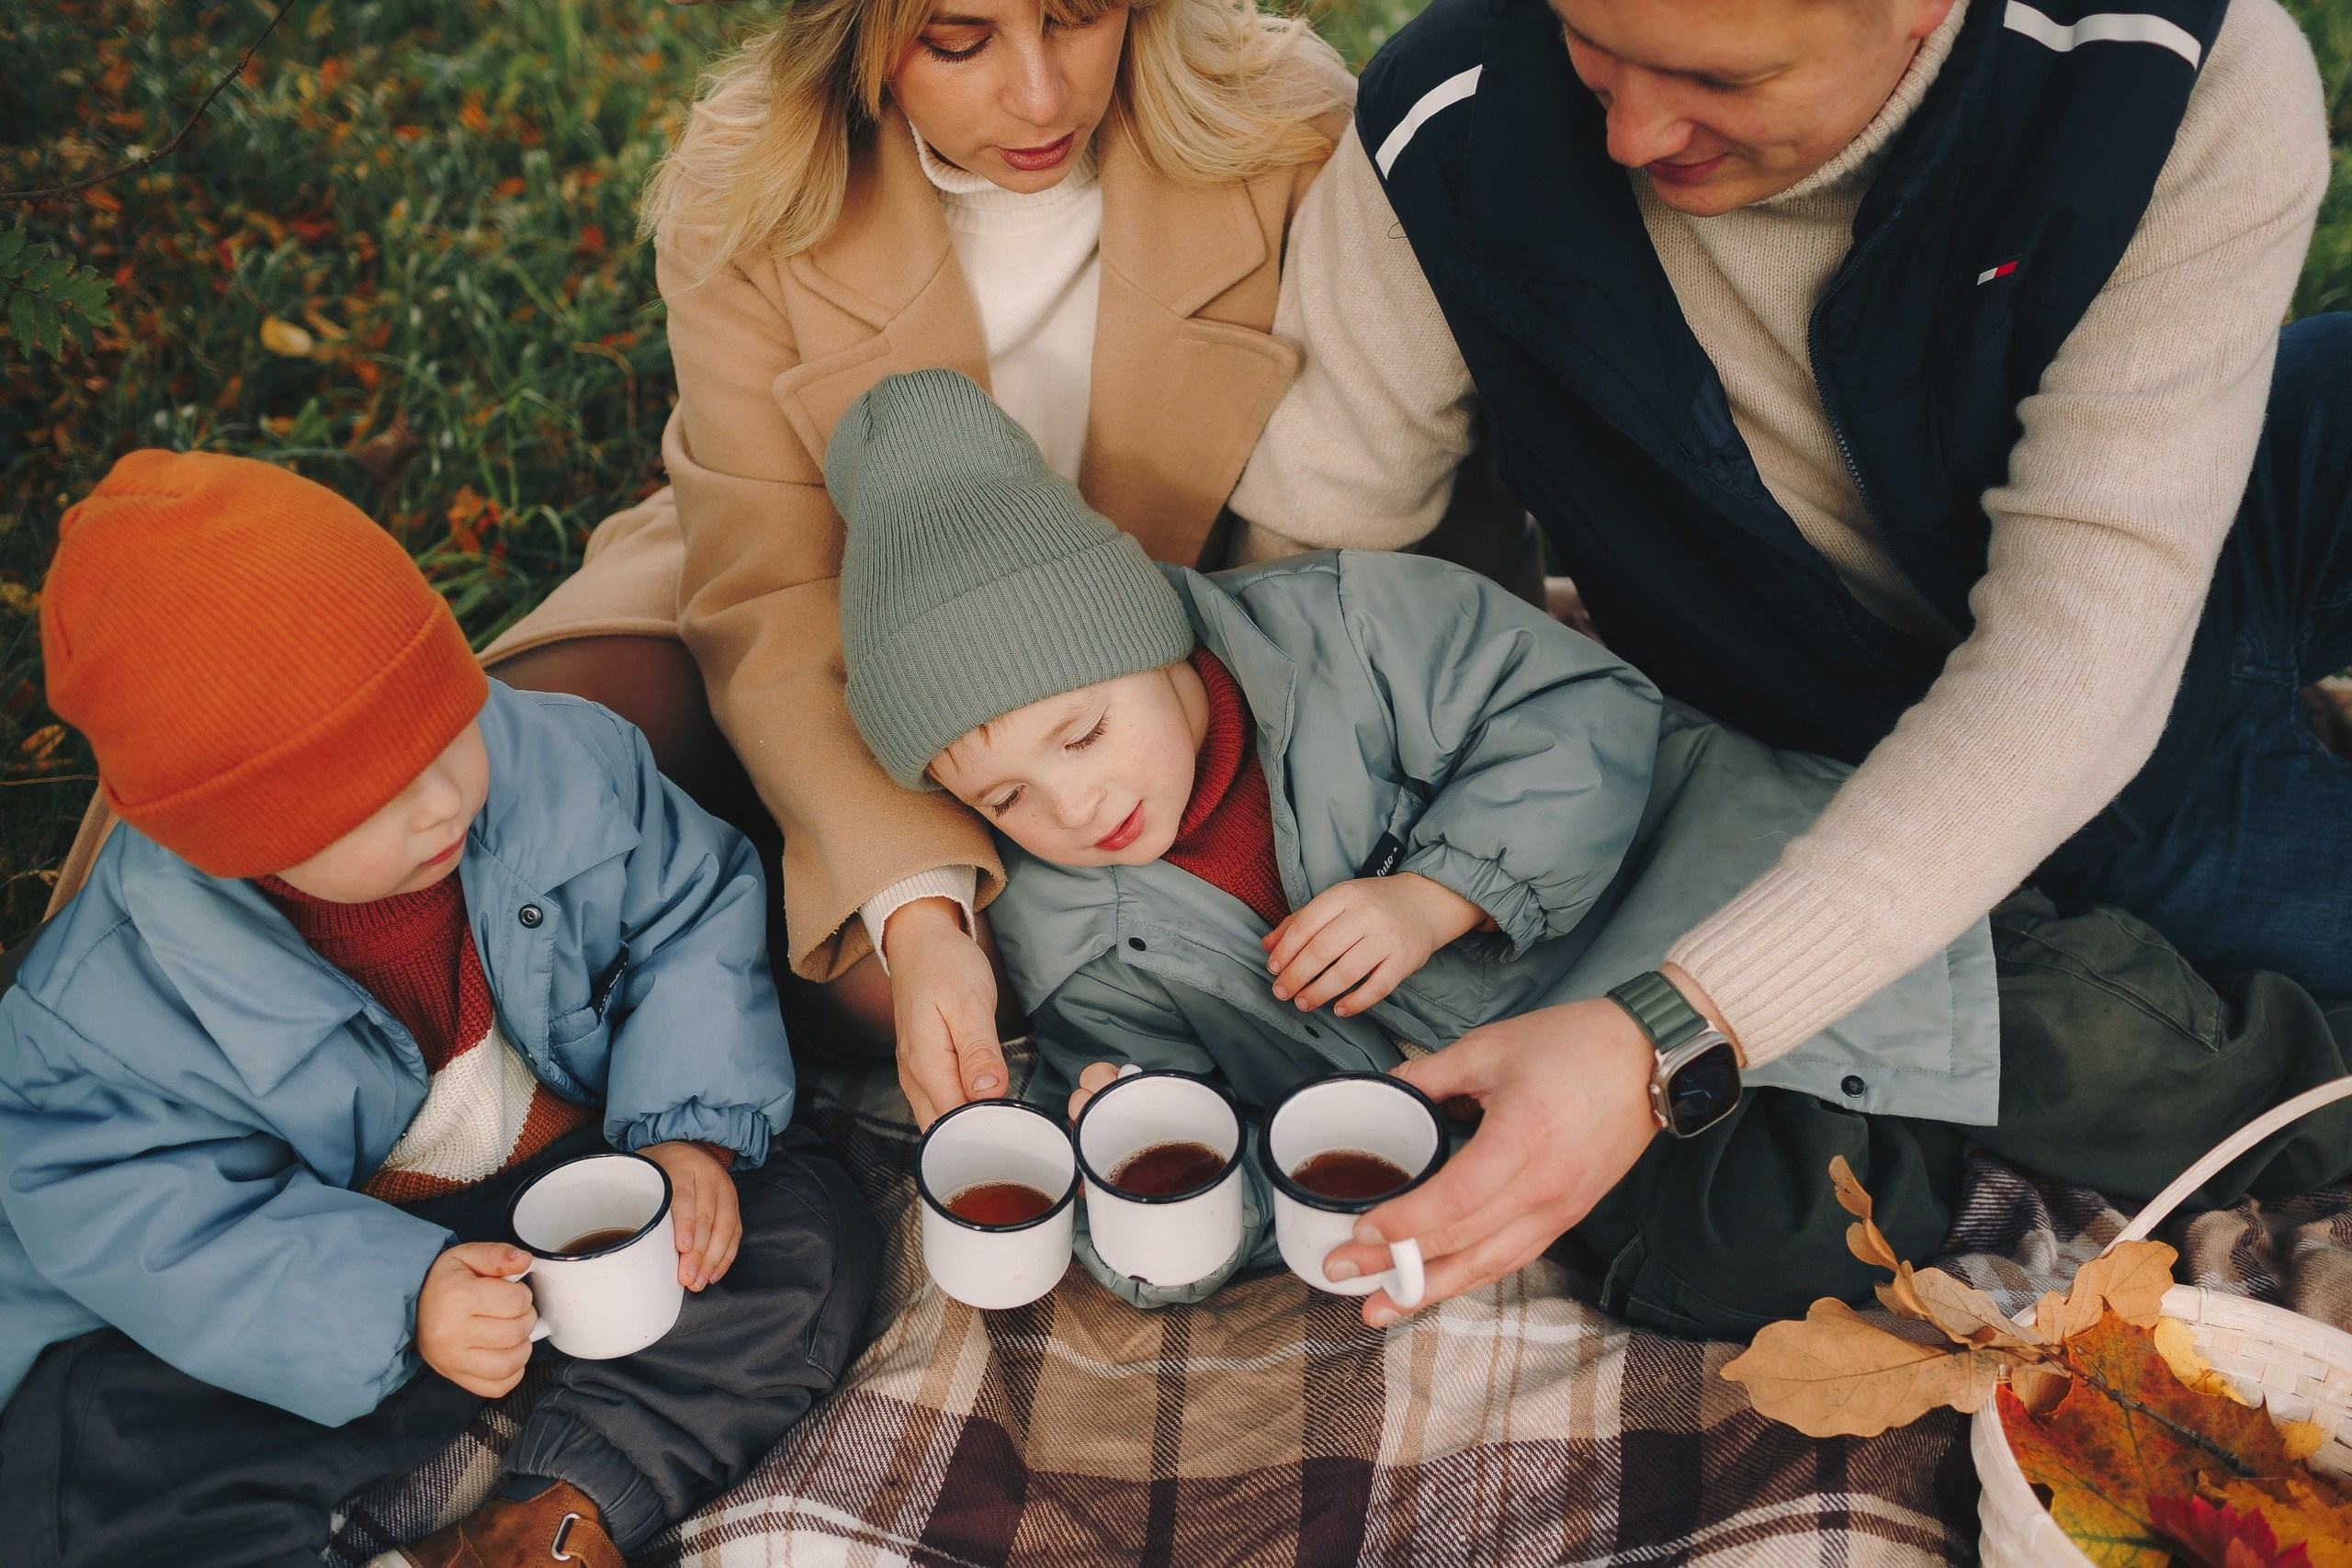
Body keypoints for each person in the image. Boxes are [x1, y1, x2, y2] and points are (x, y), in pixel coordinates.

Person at [1211, 0, 2349, 1315]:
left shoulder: (2174, 63)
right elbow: (1311, 577)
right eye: (1595, 47)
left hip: (2132, 582)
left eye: (1714, 77)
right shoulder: (1448, 124)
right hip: (1888, 739)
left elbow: (2076, 656)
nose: (1631, 133)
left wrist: (1669, 1029)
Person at [821, 369, 2352, 1333]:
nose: (1075, 811)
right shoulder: (1060, 927)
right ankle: (1933, 1164)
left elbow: (1583, 716)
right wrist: (1108, 1111)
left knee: (2098, 1047)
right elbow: (1225, 1111)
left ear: (1153, 629)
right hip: (1567, 1100)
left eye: (1082, 736)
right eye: (1006, 798)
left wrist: (1442, 890)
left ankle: (2294, 1089)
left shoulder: (1351, 627)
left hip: (1737, 899)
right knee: (1715, 1261)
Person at [464, 0, 1515, 1129]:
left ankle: (738, 933)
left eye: (1076, 16)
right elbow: (770, 586)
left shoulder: (1282, 121)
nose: (1040, 95)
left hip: (1147, 683)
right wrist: (916, 906)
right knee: (528, 749)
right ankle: (481, 1095)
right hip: (817, 587)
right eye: (959, 44)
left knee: (879, 996)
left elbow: (1375, 495)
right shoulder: (750, 187)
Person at [0, 453, 881, 1568]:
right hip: (334, 1264)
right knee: (99, 1443)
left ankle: (544, 1517)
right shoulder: (112, 1007)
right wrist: (397, 1298)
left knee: (801, 1229)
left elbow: (690, 913)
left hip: (576, 1191)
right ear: (233, 842)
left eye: (441, 727)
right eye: (365, 800)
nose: (439, 799)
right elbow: (145, 1219)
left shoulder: (559, 761)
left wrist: (690, 1132)